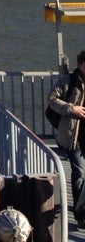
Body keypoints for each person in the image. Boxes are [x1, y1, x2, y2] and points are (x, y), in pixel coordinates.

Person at [49, 50, 85, 227]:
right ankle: (81, 215)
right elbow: (52, 99)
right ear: (80, 65)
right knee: (80, 174)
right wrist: (71, 108)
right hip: (74, 137)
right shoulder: (67, 81)